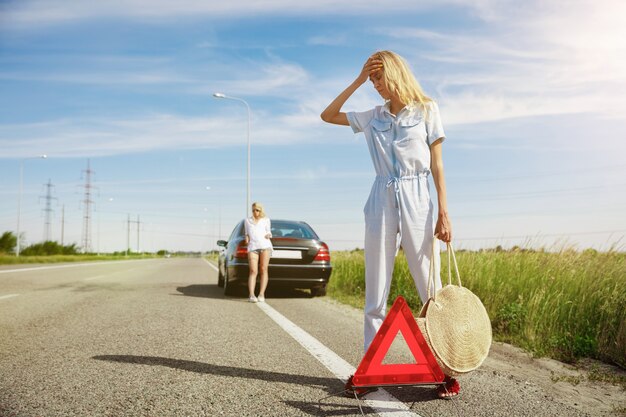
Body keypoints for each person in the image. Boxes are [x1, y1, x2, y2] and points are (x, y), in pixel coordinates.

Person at [320, 51, 457, 399]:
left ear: (395, 74)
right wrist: (357, 79)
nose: (376, 87)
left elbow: (438, 167)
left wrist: (443, 211)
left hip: (418, 199)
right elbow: (327, 115)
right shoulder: (372, 116)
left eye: (379, 79)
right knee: (375, 290)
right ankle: (369, 369)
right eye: (372, 81)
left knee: (431, 288)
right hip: (381, 199)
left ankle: (445, 371)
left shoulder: (427, 109)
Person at [244, 202, 273, 303]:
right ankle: (251, 295)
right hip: (253, 247)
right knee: (253, 271)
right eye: (253, 210)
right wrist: (247, 239)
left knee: (263, 269)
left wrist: (268, 235)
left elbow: (269, 231)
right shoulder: (247, 221)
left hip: (265, 246)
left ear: (261, 210)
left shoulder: (266, 220)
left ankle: (261, 294)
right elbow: (247, 233)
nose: (255, 212)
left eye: (257, 210)